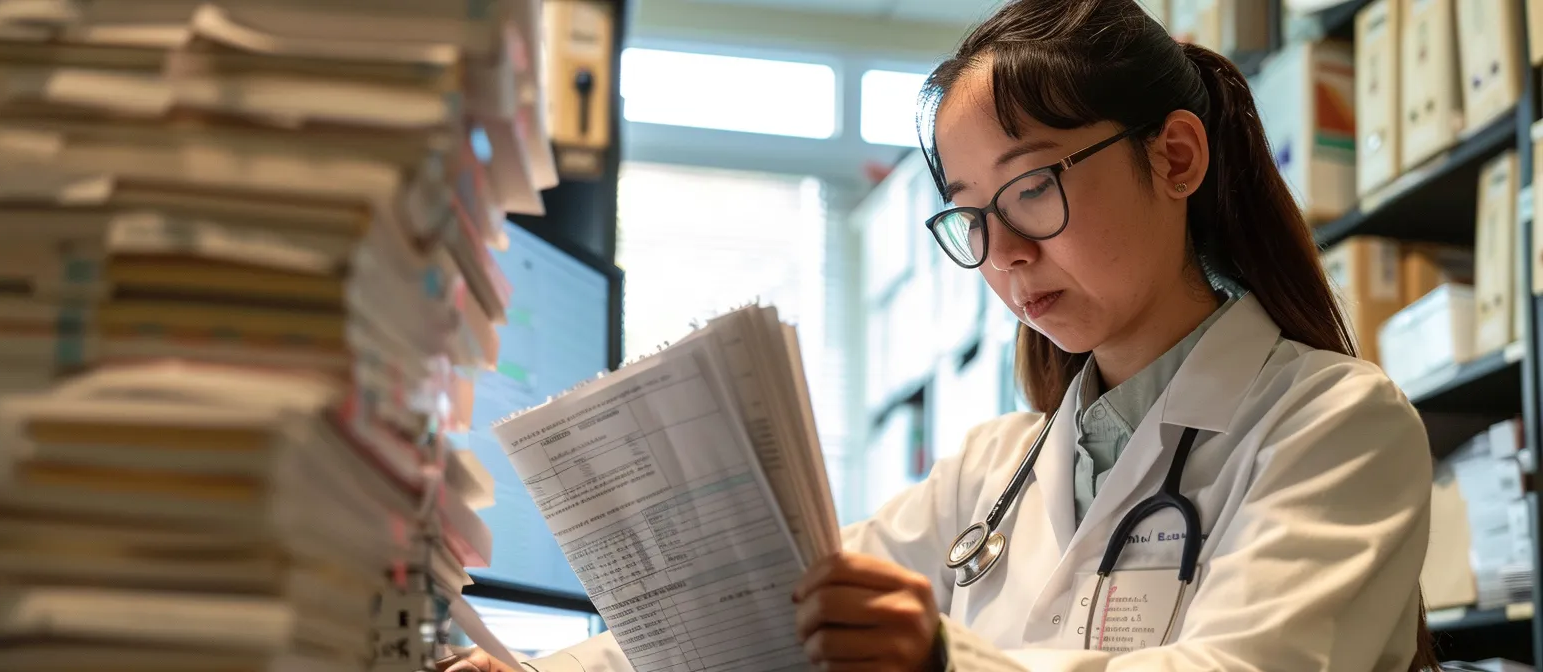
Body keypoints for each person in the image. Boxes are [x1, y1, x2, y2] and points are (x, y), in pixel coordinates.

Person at [442, 0, 1437, 669]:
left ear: (1174, 157)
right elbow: (777, 606)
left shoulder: (1336, 426)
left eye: (1032, 187)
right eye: (970, 214)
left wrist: (938, 660)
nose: (1001, 253)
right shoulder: (993, 469)